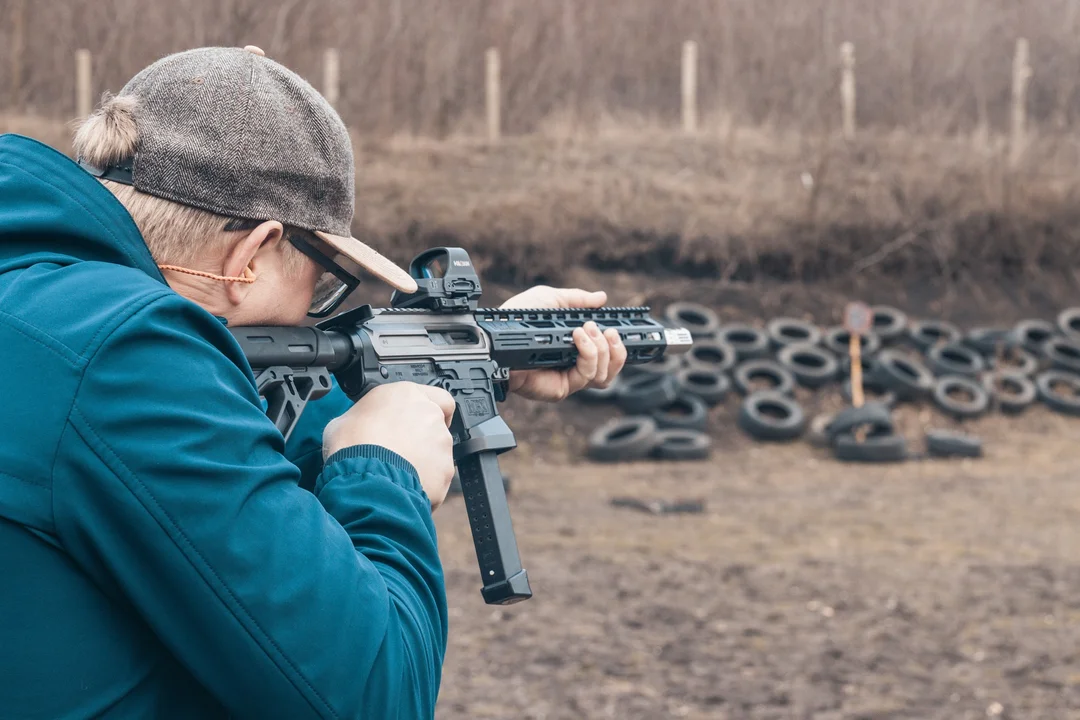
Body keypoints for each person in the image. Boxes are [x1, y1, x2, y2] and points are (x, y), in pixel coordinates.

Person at [0, 46, 626, 719]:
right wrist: (383, 473)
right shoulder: (125, 355)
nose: (314, 308)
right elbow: (373, 693)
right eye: (323, 279)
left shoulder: (44, 308)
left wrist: (470, 359)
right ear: (249, 255)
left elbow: (208, 466)